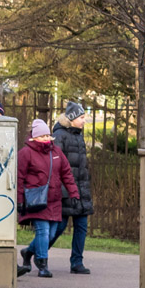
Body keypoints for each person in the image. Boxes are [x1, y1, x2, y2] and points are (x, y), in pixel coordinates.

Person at [17, 118, 79, 278]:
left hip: (54, 200)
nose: (45, 138)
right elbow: (19, 177)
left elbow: (66, 173)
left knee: (52, 234)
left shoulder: (56, 152)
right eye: (42, 136)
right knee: (43, 232)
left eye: (47, 135)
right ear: (34, 137)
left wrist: (74, 193)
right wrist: (19, 200)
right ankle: (42, 264)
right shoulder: (26, 153)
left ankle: (28, 251)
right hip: (36, 200)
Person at [48, 101, 92, 274]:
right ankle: (36, 252)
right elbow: (57, 165)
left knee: (81, 226)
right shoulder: (59, 136)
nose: (84, 121)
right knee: (58, 227)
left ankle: (77, 262)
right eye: (81, 117)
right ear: (72, 118)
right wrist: (64, 191)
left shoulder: (78, 135)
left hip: (80, 190)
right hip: (66, 191)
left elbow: (80, 166)